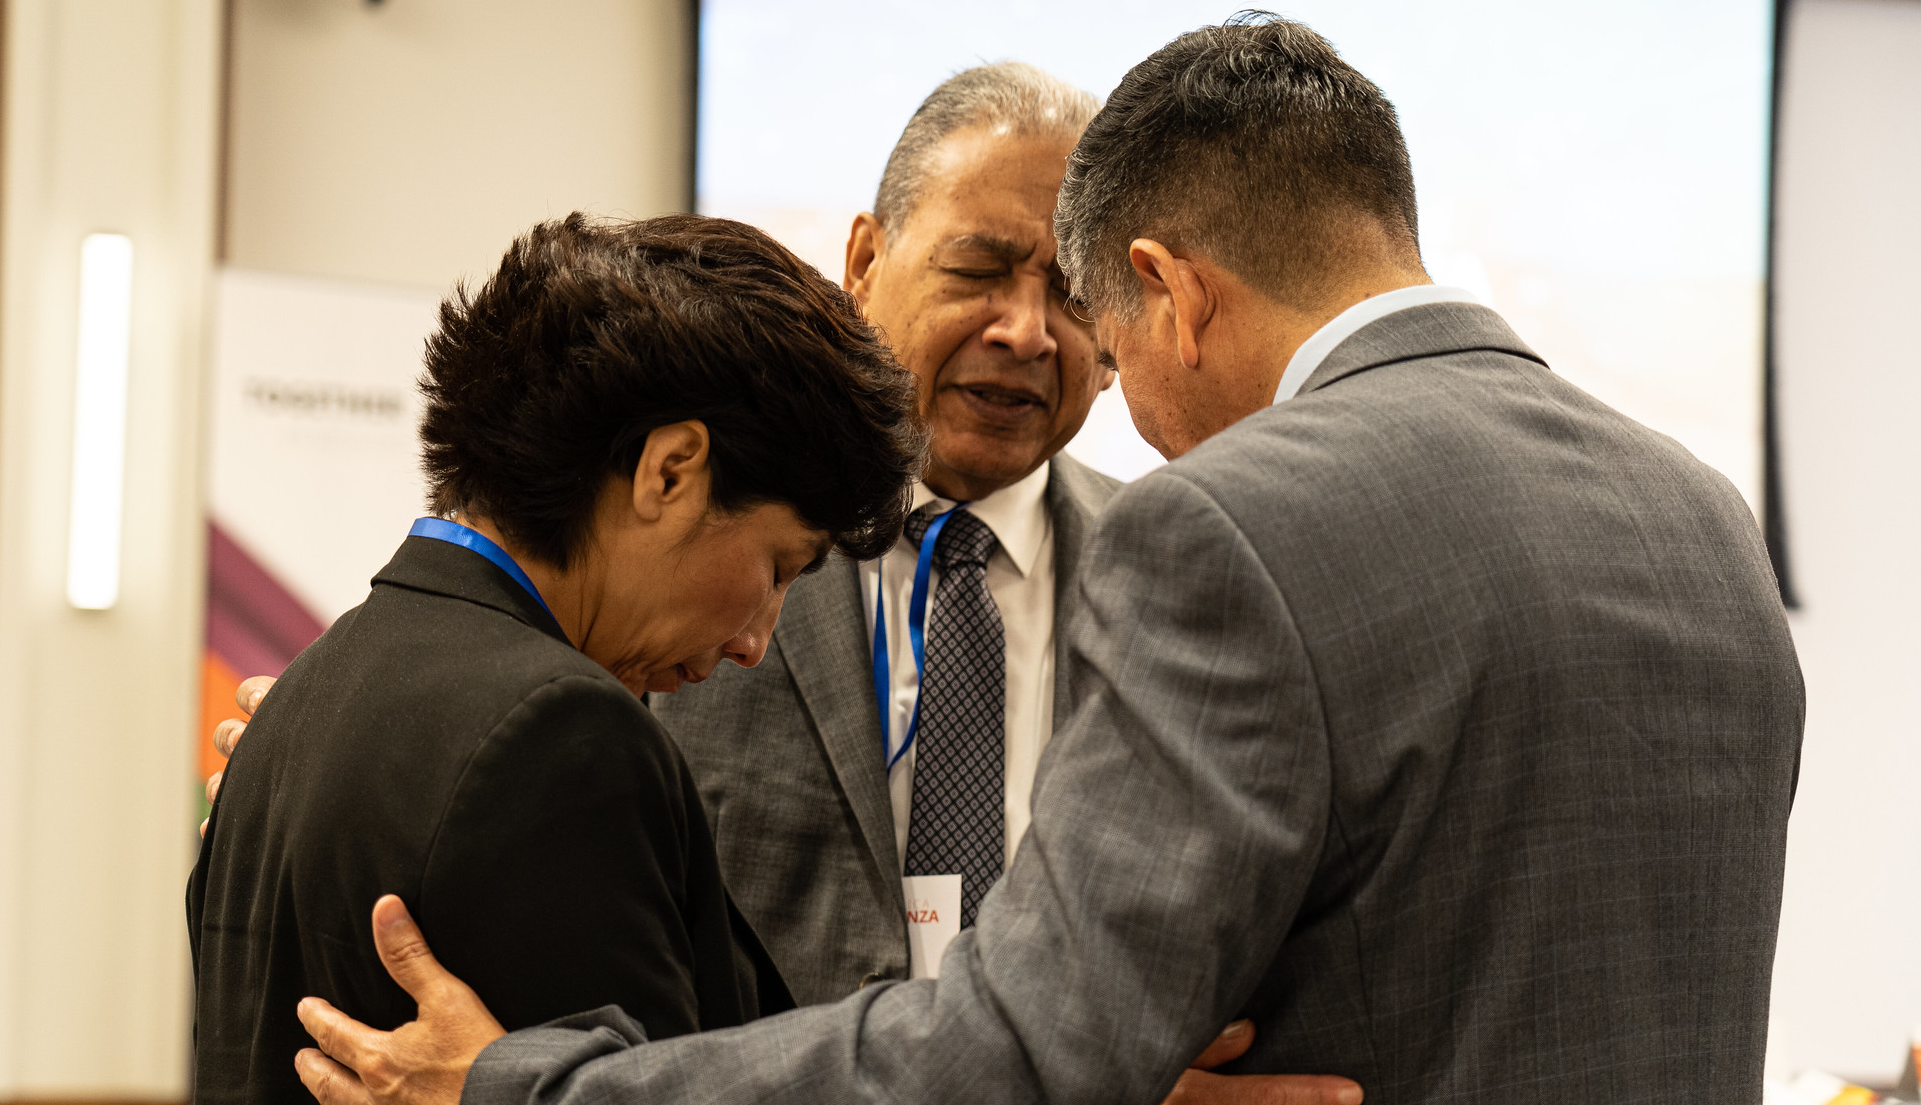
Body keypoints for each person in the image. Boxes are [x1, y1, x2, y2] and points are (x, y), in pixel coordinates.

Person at [283, 13, 1805, 1105]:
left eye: (1085, 317)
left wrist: (529, 1092)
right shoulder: (1703, 523)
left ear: (1161, 293)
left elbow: (1021, 1052)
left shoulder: (1222, 531)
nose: (1050, 350)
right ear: (867, 257)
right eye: (978, 273)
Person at [207, 62, 1362, 1105]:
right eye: (978, 268)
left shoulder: (1194, 580)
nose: (1024, 330)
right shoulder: (620, 625)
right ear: (864, 260)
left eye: (1070, 295)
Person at [187, 213, 925, 1103]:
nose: (753, 641)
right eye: (778, 567)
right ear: (669, 470)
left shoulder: (294, 696)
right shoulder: (561, 734)